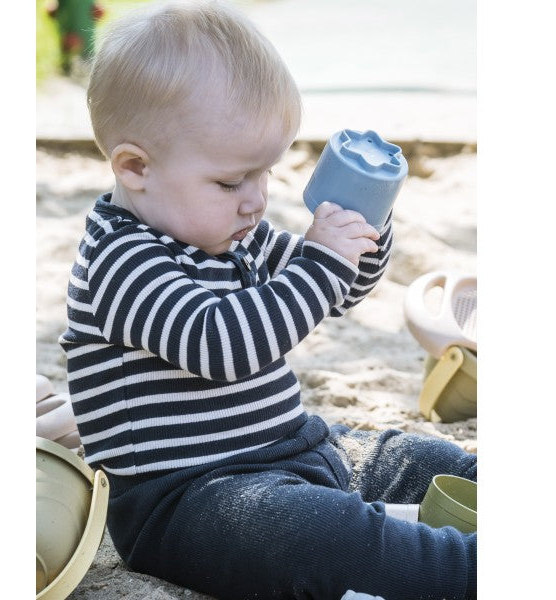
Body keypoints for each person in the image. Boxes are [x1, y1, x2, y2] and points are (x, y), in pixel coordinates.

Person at [59, 2, 476, 599]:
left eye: (266, 173)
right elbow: (220, 344)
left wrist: (361, 232)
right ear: (134, 167)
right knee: (322, 537)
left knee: (409, 456)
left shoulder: (225, 231)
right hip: (193, 500)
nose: (256, 201)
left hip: (293, 448)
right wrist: (319, 262)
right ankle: (471, 570)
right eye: (232, 181)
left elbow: (338, 291)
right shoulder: (121, 264)